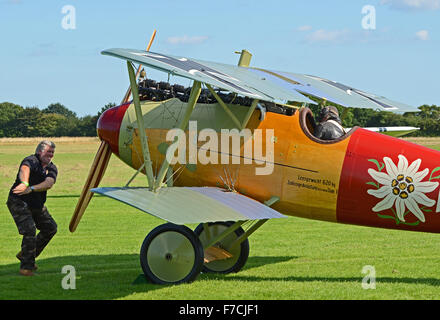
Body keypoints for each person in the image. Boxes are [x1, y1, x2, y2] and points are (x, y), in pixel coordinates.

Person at [6, 140, 58, 276]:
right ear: (40, 151)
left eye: (53, 152)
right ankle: (26, 268)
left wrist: (32, 188)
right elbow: (25, 169)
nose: (51, 155)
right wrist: (24, 182)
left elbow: (49, 183)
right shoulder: (31, 160)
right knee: (30, 230)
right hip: (18, 201)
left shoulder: (52, 168)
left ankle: (26, 254)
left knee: (50, 228)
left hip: (36, 204)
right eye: (48, 152)